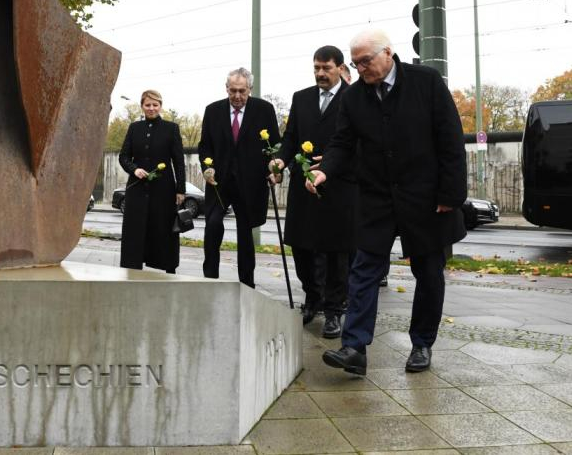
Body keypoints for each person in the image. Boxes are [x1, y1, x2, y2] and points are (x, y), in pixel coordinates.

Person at [308, 30, 467, 375]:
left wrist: (450, 195)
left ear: (388, 54)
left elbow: (450, 139)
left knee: (427, 273)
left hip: (425, 198)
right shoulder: (353, 99)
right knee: (363, 270)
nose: (361, 68)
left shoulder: (425, 81)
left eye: (366, 60)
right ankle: (354, 348)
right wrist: (326, 173)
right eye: (356, 63)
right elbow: (341, 143)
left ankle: (422, 343)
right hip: (377, 197)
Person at [271, 45, 356, 339]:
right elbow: (290, 137)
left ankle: (334, 309)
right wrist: (280, 159)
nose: (320, 73)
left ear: (340, 68)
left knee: (335, 252)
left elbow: (358, 143)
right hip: (302, 186)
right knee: (302, 246)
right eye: (316, 68)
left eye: (326, 68)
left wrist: (331, 164)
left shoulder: (354, 98)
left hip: (339, 187)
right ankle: (312, 298)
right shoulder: (302, 98)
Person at [198, 67, 280, 288]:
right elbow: (204, 146)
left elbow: (274, 146)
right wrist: (208, 168)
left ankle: (247, 282)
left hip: (250, 183)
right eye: (232, 90)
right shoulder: (213, 110)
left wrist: (274, 168)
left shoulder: (264, 110)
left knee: (246, 232)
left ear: (250, 89)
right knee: (213, 225)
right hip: (219, 182)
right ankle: (210, 277)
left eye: (242, 91)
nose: (237, 96)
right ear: (226, 88)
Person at [118, 90, 186, 273]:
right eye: (148, 105)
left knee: (163, 229)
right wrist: (135, 169)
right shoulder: (134, 128)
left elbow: (179, 162)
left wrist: (181, 189)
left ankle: (169, 268)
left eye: (155, 105)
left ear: (160, 106)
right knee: (135, 230)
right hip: (137, 189)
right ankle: (132, 268)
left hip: (164, 190)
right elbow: (123, 157)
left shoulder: (171, 129)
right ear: (142, 106)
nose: (151, 108)